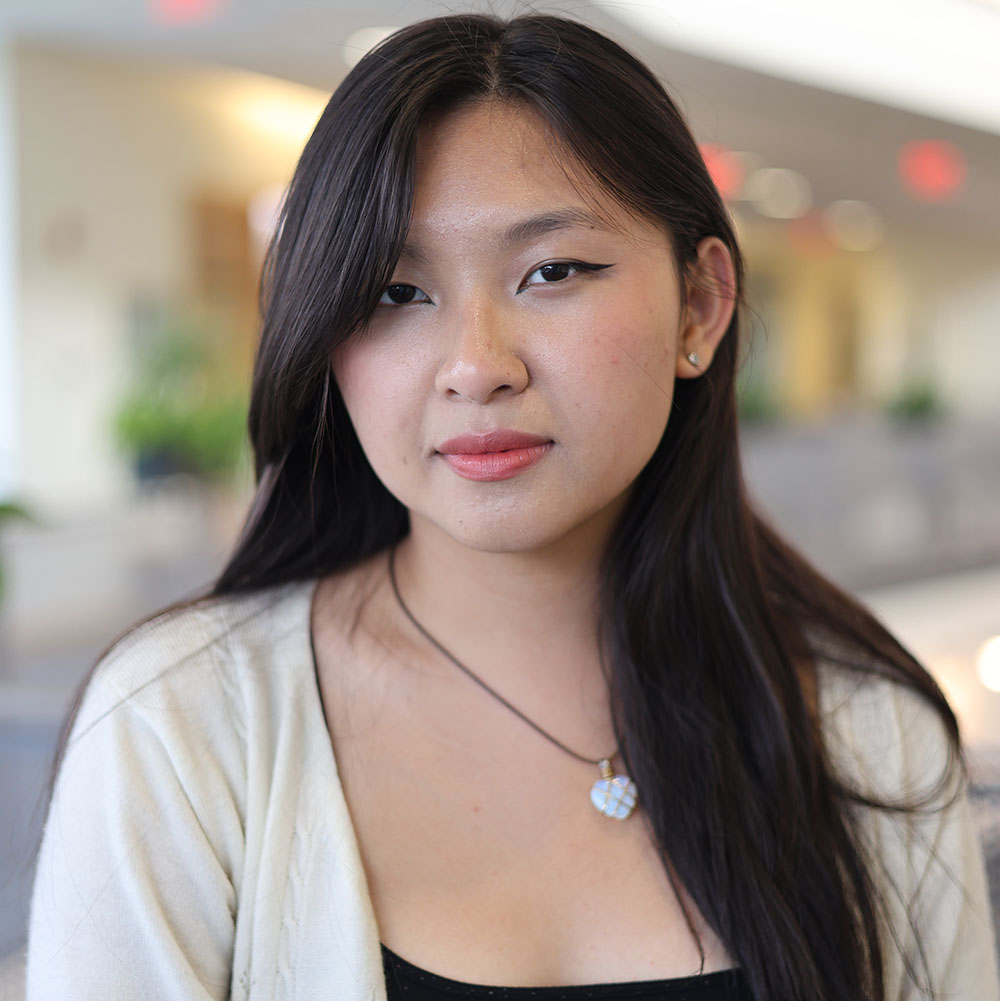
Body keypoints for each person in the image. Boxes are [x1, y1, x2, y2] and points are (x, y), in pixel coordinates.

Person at [26, 13, 998, 1001]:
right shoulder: (185, 727)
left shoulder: (864, 730)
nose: (475, 366)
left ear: (700, 306)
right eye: (396, 291)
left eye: (553, 271)